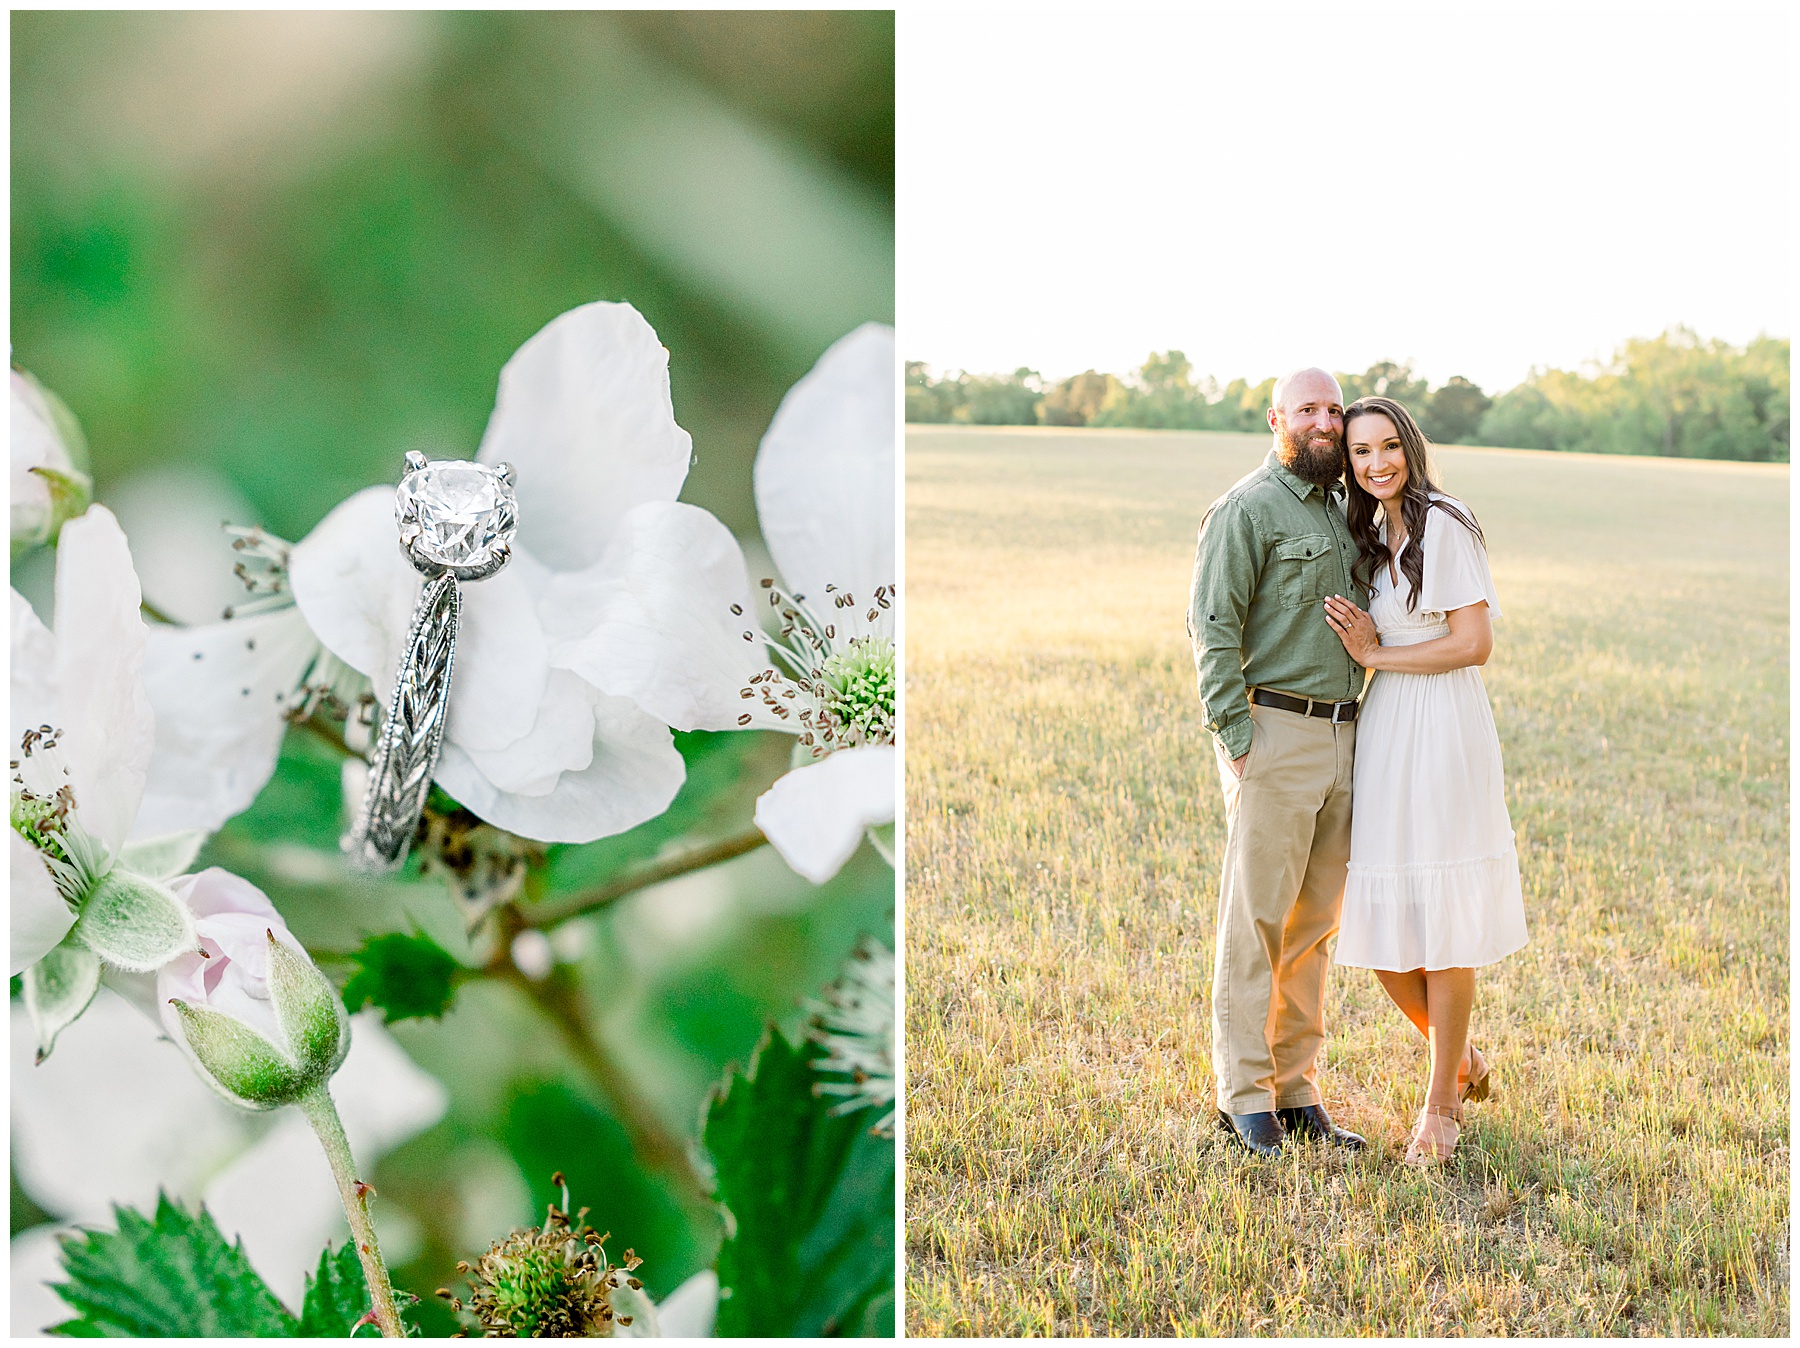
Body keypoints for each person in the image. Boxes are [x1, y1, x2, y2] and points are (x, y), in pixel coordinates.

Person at [1322, 395, 1528, 1166]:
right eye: (1360, 452)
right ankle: (1462, 1056)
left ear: (1410, 445)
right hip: (1387, 729)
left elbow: (1473, 643)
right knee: (1379, 917)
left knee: (1440, 920)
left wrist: (1378, 656)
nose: (1376, 463)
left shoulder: (1444, 521)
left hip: (1441, 725)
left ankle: (1440, 1108)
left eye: (1387, 446)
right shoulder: (1373, 531)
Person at [1186, 367, 1368, 1158]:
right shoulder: (1246, 509)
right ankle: (1243, 1097)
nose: (1324, 421)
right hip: (1276, 733)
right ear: (1275, 420)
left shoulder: (1343, 510)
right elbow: (1211, 626)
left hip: (1346, 735)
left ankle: (1296, 1091)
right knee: (1256, 920)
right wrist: (1237, 737)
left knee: (1314, 927)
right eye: (1307, 409)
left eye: (1334, 409)